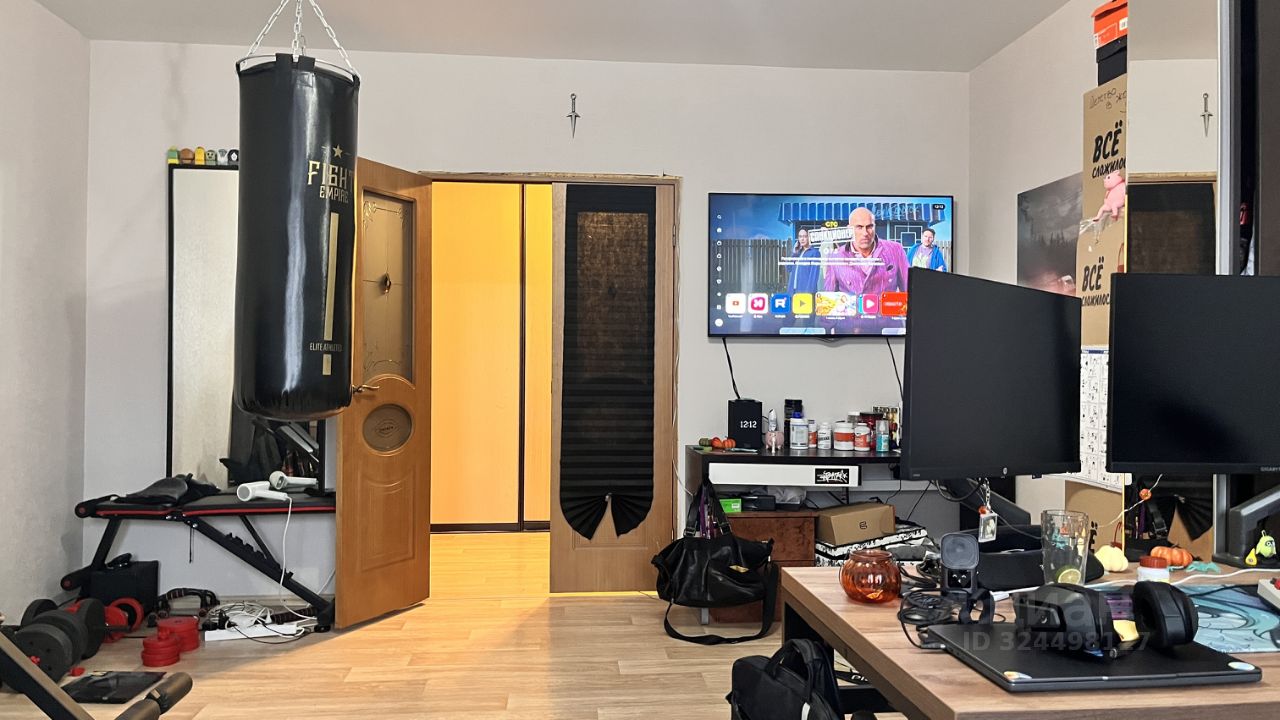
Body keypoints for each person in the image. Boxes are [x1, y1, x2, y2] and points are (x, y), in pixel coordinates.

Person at [822, 208, 909, 296]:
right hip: (852, 305)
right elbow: (828, 298)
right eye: (859, 227)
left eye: (869, 227)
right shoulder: (836, 257)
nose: (865, 233)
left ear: (875, 227)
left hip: (887, 304)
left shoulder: (895, 250)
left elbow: (909, 290)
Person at [786, 228, 822, 296]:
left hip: (805, 293)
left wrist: (808, 293)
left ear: (809, 238)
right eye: (800, 236)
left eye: (805, 236)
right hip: (793, 291)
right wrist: (794, 253)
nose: (802, 239)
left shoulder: (815, 253)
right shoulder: (798, 253)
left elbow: (813, 276)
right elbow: (789, 268)